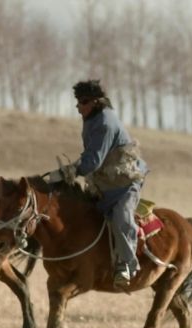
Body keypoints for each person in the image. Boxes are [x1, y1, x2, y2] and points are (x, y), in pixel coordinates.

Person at [49, 79, 148, 288]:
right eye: (77, 103)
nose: (79, 107)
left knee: (121, 217)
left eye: (83, 102)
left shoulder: (104, 122)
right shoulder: (91, 119)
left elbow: (93, 161)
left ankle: (128, 265)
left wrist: (71, 171)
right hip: (104, 185)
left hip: (125, 184)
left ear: (96, 102)